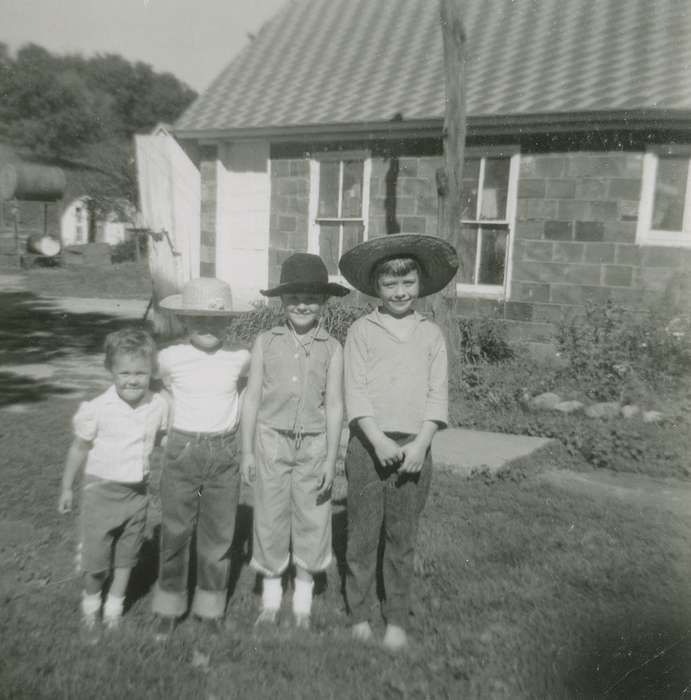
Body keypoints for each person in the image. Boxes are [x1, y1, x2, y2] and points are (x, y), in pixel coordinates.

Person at [338, 233, 458, 651]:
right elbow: (355, 392)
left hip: (414, 447)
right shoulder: (361, 331)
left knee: (402, 536)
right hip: (368, 447)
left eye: (407, 283)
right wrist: (375, 439)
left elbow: (436, 395)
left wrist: (422, 443)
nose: (400, 292)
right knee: (362, 536)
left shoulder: (431, 335)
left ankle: (397, 618)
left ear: (420, 284)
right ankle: (358, 614)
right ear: (376, 288)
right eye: (390, 285)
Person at [241, 253, 348, 629]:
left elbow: (334, 405)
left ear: (324, 301)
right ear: (282, 301)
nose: (303, 304)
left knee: (313, 517)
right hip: (271, 441)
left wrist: (332, 458)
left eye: (312, 298)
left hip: (315, 445)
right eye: (294, 297)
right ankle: (270, 599)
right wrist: (247, 453)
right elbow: (251, 398)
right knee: (269, 517)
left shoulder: (333, 348)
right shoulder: (265, 342)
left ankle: (302, 601)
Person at [151, 277, 250, 640]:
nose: (208, 326)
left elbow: (250, 393)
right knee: (176, 531)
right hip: (182, 450)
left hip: (224, 452)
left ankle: (210, 607)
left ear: (229, 322)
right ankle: (169, 605)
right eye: (198, 319)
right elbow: (154, 388)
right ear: (185, 321)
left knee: (219, 535)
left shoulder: (240, 358)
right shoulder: (169, 357)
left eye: (217, 319)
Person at [58, 327, 168, 639]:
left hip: (137, 493)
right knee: (96, 562)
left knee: (126, 557)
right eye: (125, 373)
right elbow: (79, 448)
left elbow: (161, 437)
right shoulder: (96, 409)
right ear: (110, 371)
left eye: (140, 373)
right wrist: (67, 487)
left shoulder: (158, 405)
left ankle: (114, 610)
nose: (133, 380)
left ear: (151, 372)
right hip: (100, 492)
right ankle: (91, 607)